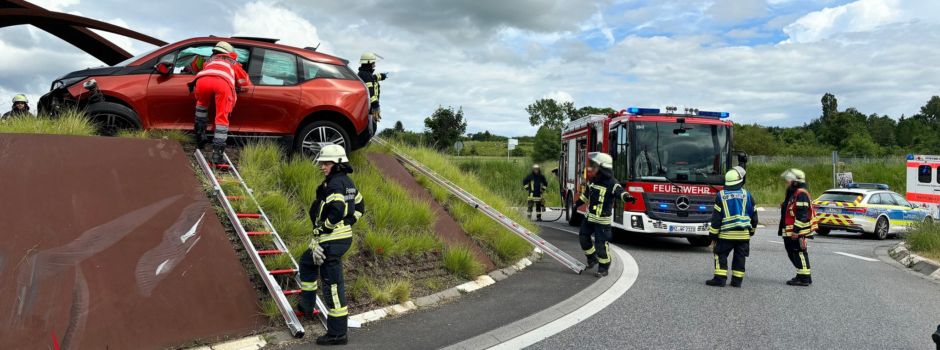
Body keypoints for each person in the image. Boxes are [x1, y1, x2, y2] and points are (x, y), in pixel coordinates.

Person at [297, 144, 364, 346]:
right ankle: (307, 304)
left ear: (338, 164)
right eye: (322, 163)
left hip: (332, 242)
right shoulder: (348, 183)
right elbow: (360, 206)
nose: (322, 166)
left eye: (326, 163)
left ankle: (337, 334)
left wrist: (323, 229)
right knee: (307, 261)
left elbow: (336, 209)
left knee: (332, 286)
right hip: (337, 239)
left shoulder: (335, 184)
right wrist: (351, 221)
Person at [574, 152, 636, 277]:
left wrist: (627, 197)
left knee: (601, 246)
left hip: (602, 222)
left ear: (603, 168)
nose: (593, 168)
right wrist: (577, 203)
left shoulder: (612, 183)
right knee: (583, 238)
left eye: (595, 166)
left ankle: (604, 268)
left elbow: (620, 192)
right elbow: (586, 196)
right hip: (589, 218)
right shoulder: (592, 180)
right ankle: (592, 258)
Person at [190, 41, 252, 163]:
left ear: (215, 51)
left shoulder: (209, 60)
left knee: (201, 107)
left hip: (202, 81)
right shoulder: (232, 62)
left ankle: (200, 136)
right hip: (222, 83)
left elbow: (194, 67)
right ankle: (217, 155)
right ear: (229, 52)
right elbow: (244, 82)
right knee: (221, 118)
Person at [705, 168, 758, 288]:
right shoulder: (747, 195)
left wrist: (713, 235)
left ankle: (720, 279)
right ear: (740, 181)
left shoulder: (721, 195)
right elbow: (754, 217)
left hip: (726, 235)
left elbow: (716, 218)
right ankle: (737, 281)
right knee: (740, 257)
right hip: (743, 235)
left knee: (720, 254)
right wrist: (751, 231)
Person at [778, 168, 815, 286]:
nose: (787, 182)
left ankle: (804, 278)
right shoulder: (795, 193)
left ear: (796, 181)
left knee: (799, 252)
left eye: (789, 180)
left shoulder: (801, 193)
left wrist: (796, 231)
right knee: (792, 252)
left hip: (798, 231)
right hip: (791, 231)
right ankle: (801, 275)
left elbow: (802, 214)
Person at [357, 52, 388, 124]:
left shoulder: (365, 73)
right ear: (368, 63)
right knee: (370, 130)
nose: (374, 64)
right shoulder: (365, 75)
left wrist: (380, 76)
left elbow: (372, 79)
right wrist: (375, 105)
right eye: (373, 62)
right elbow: (369, 92)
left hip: (369, 107)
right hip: (369, 108)